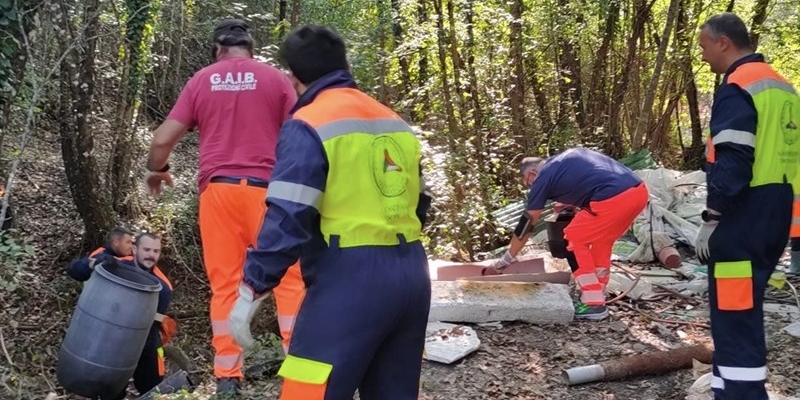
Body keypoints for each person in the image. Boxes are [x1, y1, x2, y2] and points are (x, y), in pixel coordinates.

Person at [226, 25, 433, 400]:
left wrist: (253, 287)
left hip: (350, 281)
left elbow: (290, 214)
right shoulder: (394, 122)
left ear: (293, 77)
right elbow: (420, 203)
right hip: (413, 275)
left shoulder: (310, 124)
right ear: (344, 64)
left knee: (308, 390)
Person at [143, 18, 304, 394]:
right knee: (290, 280)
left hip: (218, 194)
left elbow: (162, 139)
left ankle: (228, 376)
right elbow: (304, 131)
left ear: (217, 49)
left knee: (226, 285)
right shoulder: (276, 79)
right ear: (250, 47)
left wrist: (158, 171)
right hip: (270, 194)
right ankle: (298, 370)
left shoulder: (202, 80)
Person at [695, 13, 800, 400]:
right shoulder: (782, 87)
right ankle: (729, 391)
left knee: (735, 316)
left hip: (743, 215)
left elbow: (735, 158)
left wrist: (712, 216)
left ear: (724, 42)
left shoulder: (739, 86)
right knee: (740, 309)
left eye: (704, 46)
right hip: (775, 211)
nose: (703, 55)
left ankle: (743, 395)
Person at [492, 148, 648, 321]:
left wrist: (507, 257)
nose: (532, 187)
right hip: (638, 193)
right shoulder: (567, 159)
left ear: (531, 174)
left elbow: (528, 221)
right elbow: (589, 179)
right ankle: (597, 292)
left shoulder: (543, 176)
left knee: (572, 238)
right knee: (602, 240)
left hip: (611, 197)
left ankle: (593, 303)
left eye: (529, 184)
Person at [66, 233, 173, 399]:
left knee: (154, 387)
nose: (151, 255)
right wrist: (94, 264)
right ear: (135, 249)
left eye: (156, 251)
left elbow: (153, 326)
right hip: (108, 338)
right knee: (109, 390)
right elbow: (74, 269)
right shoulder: (115, 264)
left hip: (146, 340)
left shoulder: (163, 287)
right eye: (146, 249)